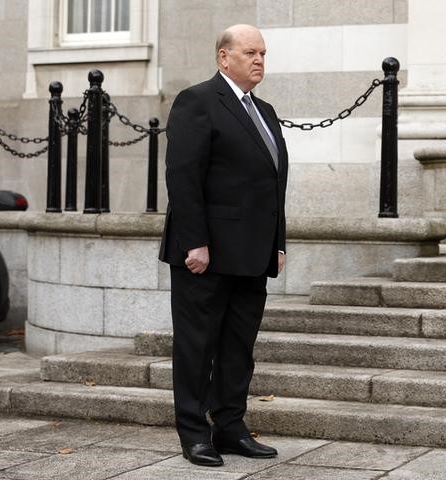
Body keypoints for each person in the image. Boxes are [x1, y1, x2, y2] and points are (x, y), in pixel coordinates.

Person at [159, 24, 288, 468]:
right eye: (250, 52)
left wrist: (278, 242)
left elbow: (273, 184)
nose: (259, 60)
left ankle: (230, 428)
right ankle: (194, 434)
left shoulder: (265, 111)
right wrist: (194, 242)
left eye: (263, 53)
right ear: (223, 57)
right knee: (197, 347)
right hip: (205, 256)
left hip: (253, 254)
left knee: (238, 348)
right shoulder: (197, 101)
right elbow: (183, 177)